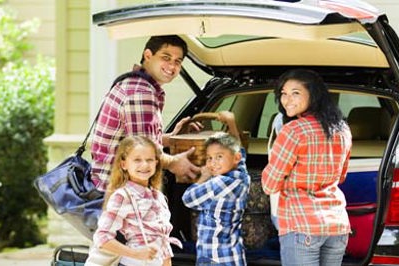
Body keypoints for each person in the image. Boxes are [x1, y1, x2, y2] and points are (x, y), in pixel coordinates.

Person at [261, 69, 352, 266]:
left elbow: (269, 185)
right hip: (337, 225)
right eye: (283, 94)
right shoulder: (343, 130)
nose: (287, 100)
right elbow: (341, 176)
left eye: (296, 93)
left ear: (314, 94)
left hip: (301, 225)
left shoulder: (293, 131)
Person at [91, 35, 201, 192]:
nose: (172, 66)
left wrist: (171, 139)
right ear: (148, 56)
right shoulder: (140, 92)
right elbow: (143, 153)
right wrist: (174, 162)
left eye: (177, 61)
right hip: (119, 194)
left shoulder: (136, 85)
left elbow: (134, 140)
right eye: (166, 57)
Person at [86, 136, 182, 266]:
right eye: (137, 160)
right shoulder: (122, 196)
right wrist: (136, 254)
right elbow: (102, 238)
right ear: (124, 164)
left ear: (156, 162)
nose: (145, 165)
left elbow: (164, 246)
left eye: (149, 160)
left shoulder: (158, 196)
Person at [181, 111, 250, 265]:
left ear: (234, 158)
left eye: (219, 156)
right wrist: (231, 122)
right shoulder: (241, 175)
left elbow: (188, 199)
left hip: (214, 255)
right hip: (232, 253)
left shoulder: (220, 183)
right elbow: (240, 151)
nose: (213, 163)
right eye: (209, 158)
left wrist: (203, 177)